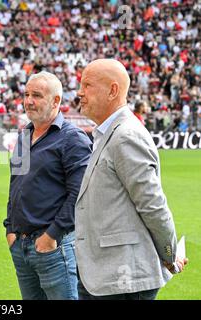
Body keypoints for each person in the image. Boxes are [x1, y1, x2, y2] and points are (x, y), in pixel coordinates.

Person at [75, 58, 188, 300]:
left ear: (112, 90)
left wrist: (170, 256)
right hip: (105, 276)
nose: (79, 92)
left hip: (122, 281)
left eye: (87, 85)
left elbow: (152, 204)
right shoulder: (112, 133)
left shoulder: (125, 135)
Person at [3, 71, 92, 300]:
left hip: (53, 247)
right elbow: (16, 185)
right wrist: (10, 228)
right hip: (21, 246)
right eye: (26, 94)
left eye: (37, 95)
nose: (29, 101)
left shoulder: (73, 139)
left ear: (56, 101)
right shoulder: (25, 135)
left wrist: (52, 235)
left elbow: (79, 195)